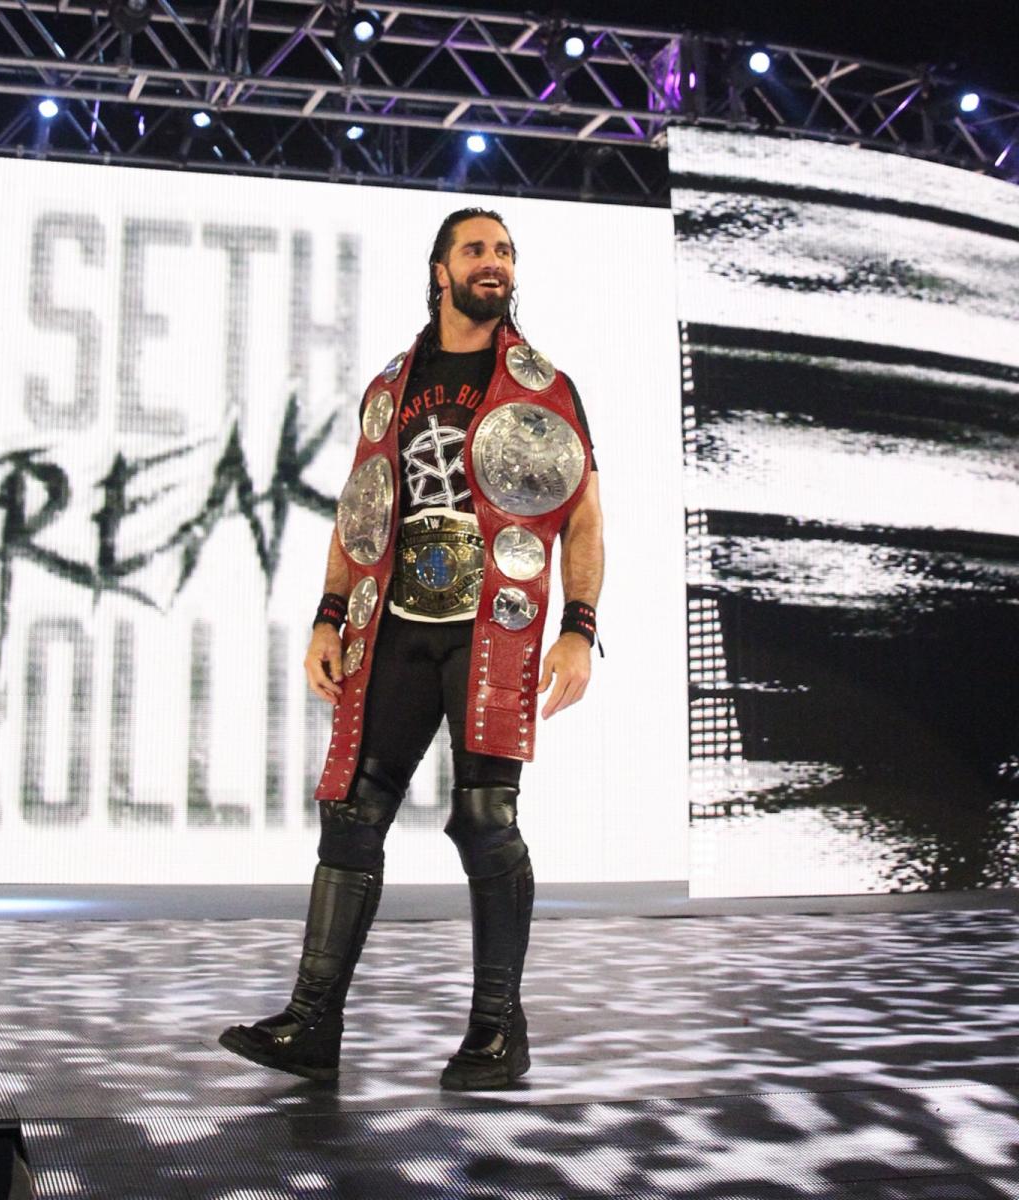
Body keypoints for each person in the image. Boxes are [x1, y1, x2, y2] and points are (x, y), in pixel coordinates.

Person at [220, 208, 604, 1090]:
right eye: (476, 249)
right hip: (396, 622)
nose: (494, 262)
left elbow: (584, 516)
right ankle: (312, 1025)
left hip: (491, 627)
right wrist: (327, 616)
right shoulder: (393, 385)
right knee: (353, 815)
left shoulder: (546, 387)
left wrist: (579, 628)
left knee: (485, 820)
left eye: (504, 251)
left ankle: (498, 1031)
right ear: (441, 270)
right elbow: (360, 510)